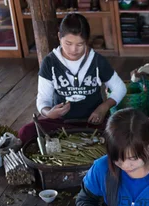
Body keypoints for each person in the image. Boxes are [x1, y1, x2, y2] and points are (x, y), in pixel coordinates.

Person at [18, 13, 126, 144]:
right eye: (68, 43)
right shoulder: (50, 62)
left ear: (87, 41)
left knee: (121, 133)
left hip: (92, 121)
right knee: (25, 133)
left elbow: (119, 88)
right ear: (59, 37)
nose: (73, 50)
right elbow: (43, 99)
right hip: (61, 122)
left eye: (80, 44)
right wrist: (48, 113)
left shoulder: (96, 61)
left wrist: (102, 108)